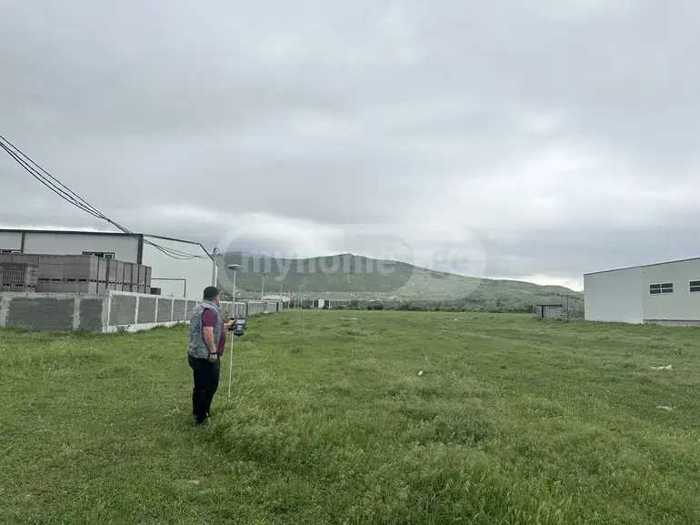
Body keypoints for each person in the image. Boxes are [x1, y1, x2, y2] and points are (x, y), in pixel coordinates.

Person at [187, 286, 233, 425]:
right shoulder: (210, 310)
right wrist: (213, 351)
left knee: (200, 385)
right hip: (206, 356)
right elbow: (207, 331)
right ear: (215, 297)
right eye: (219, 296)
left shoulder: (200, 307)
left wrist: (227, 326)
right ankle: (202, 417)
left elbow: (211, 326)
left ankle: (197, 413)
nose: (220, 299)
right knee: (209, 386)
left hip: (195, 353)